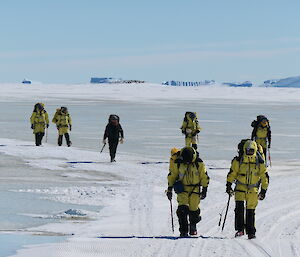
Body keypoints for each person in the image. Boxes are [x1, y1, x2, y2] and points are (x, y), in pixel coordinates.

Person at [226, 139, 269, 239]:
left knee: (250, 211)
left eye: (251, 150)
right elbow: (232, 174)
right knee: (239, 210)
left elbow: (264, 177)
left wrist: (263, 191)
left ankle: (251, 232)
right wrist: (228, 185)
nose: (249, 152)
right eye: (248, 150)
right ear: (245, 149)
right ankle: (240, 230)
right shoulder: (238, 161)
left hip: (253, 190)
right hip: (240, 188)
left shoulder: (259, 162)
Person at [166, 147, 210, 237]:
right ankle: (183, 230)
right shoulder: (178, 163)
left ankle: (193, 226)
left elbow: (204, 176)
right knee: (182, 210)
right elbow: (172, 176)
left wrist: (205, 189)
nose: (186, 163)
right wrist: (169, 188)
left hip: (195, 189)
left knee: (193, 210)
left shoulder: (199, 163)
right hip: (182, 189)